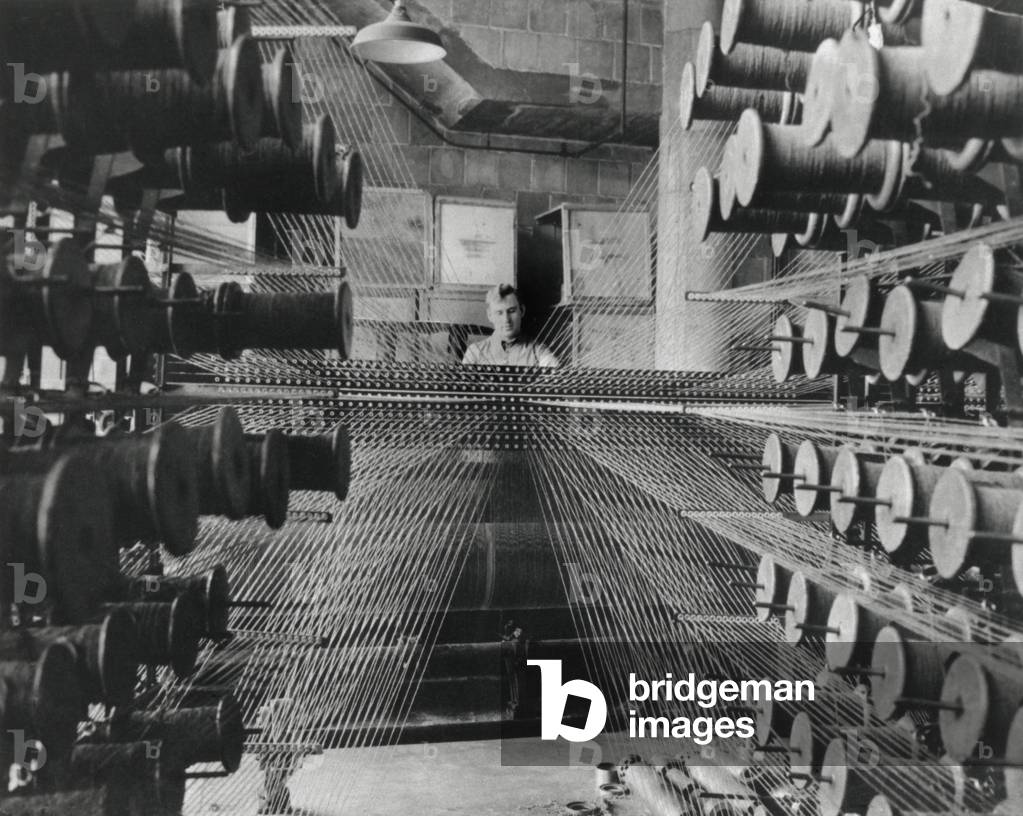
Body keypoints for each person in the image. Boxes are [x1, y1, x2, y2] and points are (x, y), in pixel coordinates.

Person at [462, 284, 559, 367]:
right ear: (490, 316)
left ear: (522, 311)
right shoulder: (475, 352)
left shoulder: (538, 352)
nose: (506, 320)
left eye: (511, 311)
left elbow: (555, 378)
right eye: (499, 313)